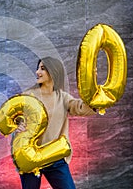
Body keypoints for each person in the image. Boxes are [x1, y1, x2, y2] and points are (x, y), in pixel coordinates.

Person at [16, 56, 96, 189]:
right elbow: (15, 118)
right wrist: (18, 126)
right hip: (30, 157)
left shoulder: (63, 97)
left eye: (42, 69)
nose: (37, 72)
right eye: (38, 68)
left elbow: (82, 108)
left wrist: (92, 84)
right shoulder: (28, 96)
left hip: (55, 157)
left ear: (53, 72)